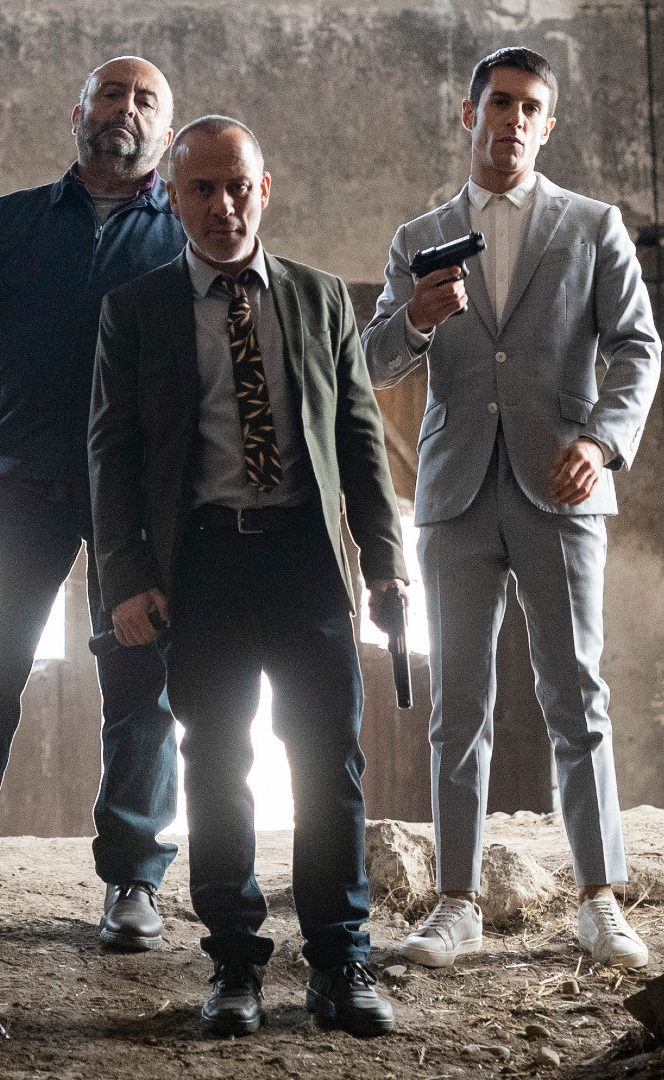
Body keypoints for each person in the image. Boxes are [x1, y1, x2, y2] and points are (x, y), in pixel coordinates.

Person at [89, 116, 407, 1036]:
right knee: (217, 759)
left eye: (238, 187)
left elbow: (359, 441)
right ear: (173, 197)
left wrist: (386, 565)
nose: (222, 206)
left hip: (306, 560)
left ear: (264, 190)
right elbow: (110, 455)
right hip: (204, 565)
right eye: (201, 189)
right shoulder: (136, 310)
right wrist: (125, 577)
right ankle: (234, 961)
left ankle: (340, 959)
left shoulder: (319, 299)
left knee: (328, 759)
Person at [361, 47, 662, 970]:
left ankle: (600, 901)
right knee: (457, 703)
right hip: (453, 493)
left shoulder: (593, 225)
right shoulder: (419, 237)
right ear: (470, 114)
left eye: (532, 107)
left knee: (577, 695)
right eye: (500, 103)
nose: (514, 120)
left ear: (548, 125)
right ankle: (455, 905)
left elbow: (638, 346)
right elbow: (371, 361)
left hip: (564, 486)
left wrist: (601, 443)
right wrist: (417, 317)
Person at [0, 57, 187, 952]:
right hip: (23, 478)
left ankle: (133, 881)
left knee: (140, 681)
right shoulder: (15, 220)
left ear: (166, 134)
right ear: (76, 109)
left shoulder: (182, 235)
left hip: (135, 495)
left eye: (145, 100)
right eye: (110, 93)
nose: (125, 109)